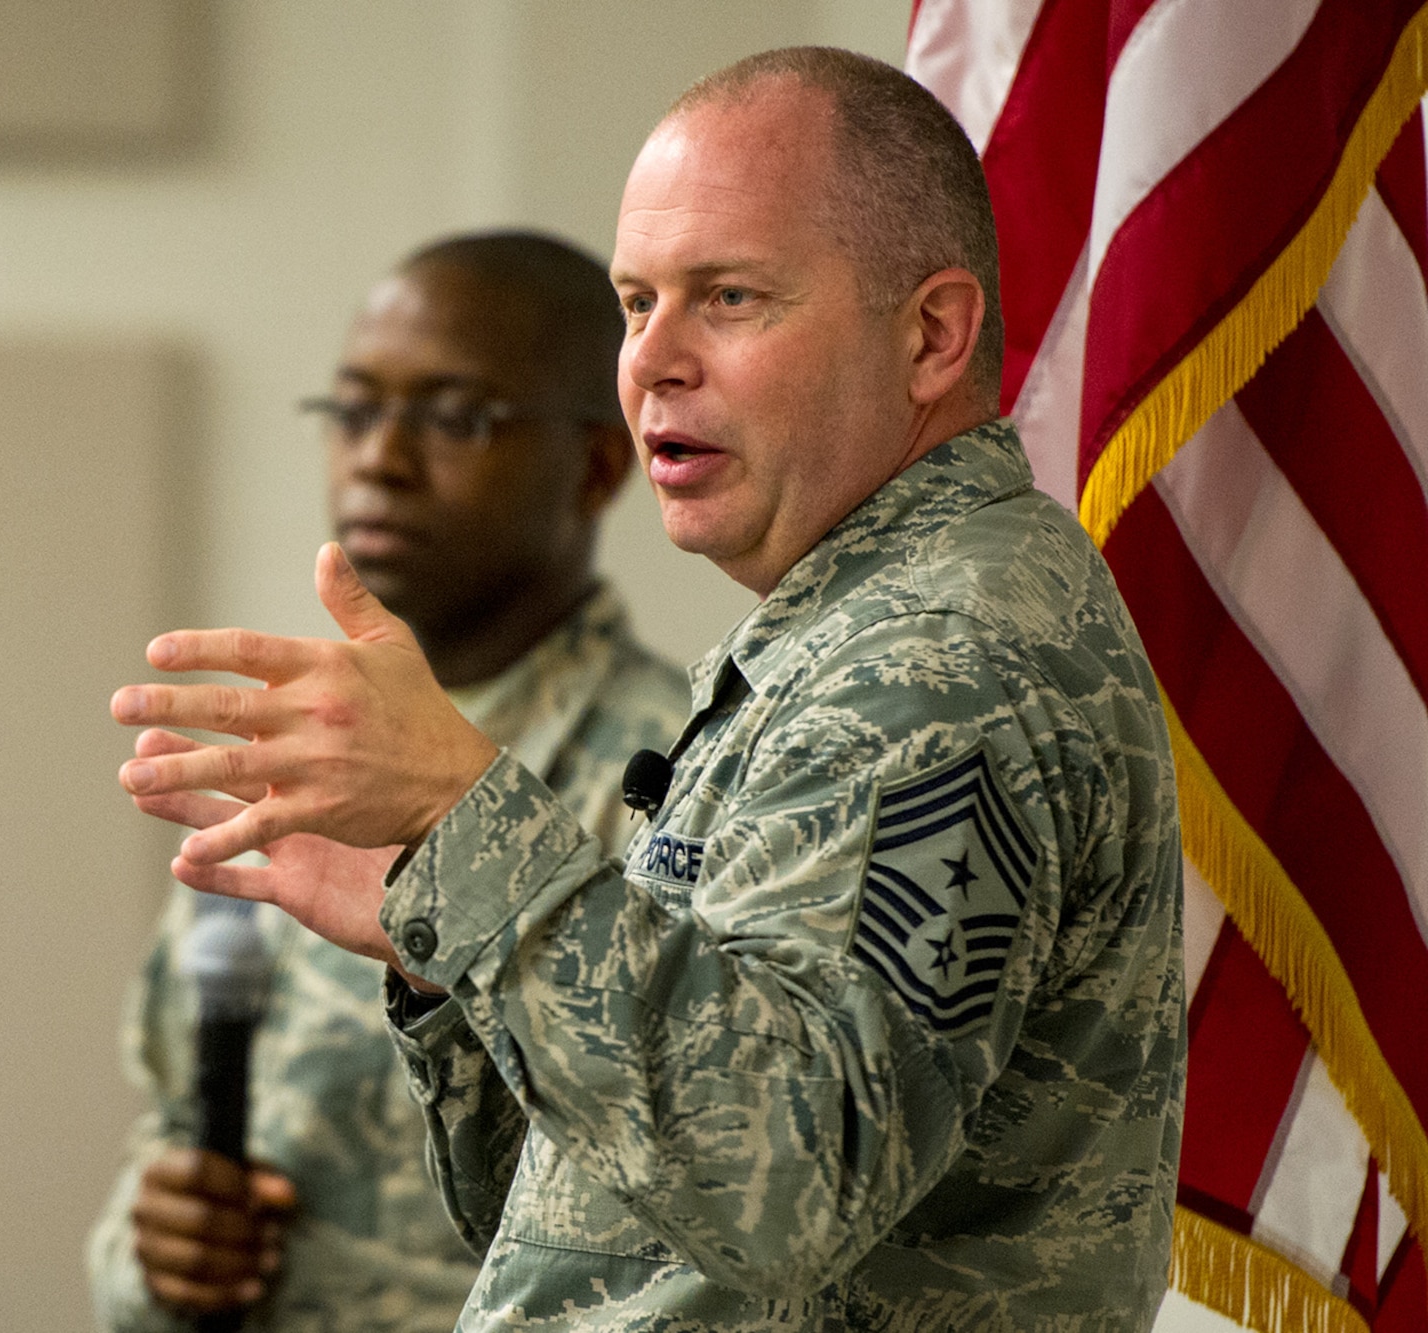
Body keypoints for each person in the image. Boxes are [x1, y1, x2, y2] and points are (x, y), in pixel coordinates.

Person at [112, 47, 1184, 1333]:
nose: (652, 363)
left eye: (727, 297)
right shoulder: (843, 630)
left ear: (930, 334)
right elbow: (610, 1214)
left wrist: (475, 833)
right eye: (635, 302)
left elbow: (776, 1190)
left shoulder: (940, 664)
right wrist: (446, 950)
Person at [87, 231, 693, 1332]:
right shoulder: (290, 742)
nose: (379, 458)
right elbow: (173, 1108)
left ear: (597, 466)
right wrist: (156, 1244)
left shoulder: (670, 770)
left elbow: (710, 1190)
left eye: (455, 416)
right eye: (354, 410)